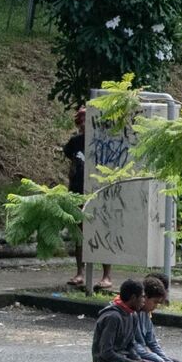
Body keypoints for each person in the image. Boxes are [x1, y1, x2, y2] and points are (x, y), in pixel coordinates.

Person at [63, 106, 113, 292]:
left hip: (98, 192)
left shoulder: (103, 141)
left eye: (86, 120)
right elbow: (72, 162)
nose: (83, 124)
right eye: (81, 121)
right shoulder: (75, 143)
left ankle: (106, 275)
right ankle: (80, 273)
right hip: (78, 191)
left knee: (102, 232)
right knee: (80, 235)